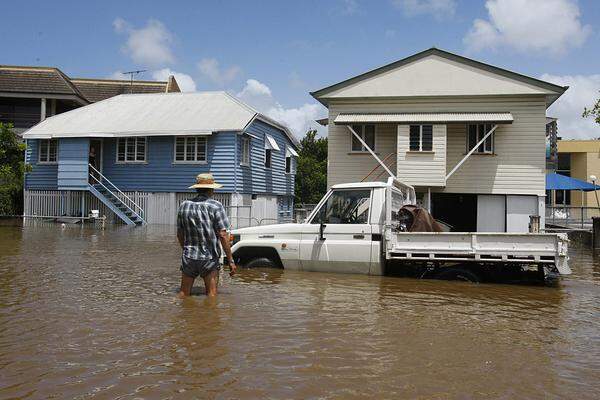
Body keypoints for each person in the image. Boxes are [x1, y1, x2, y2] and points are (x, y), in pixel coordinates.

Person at [177, 173, 237, 297]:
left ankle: (182, 316)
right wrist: (230, 260)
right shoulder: (216, 206)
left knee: (183, 294)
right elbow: (223, 235)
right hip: (209, 258)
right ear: (211, 189)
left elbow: (180, 234)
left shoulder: (184, 205)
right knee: (211, 296)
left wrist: (186, 250)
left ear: (197, 188)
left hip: (189, 256)